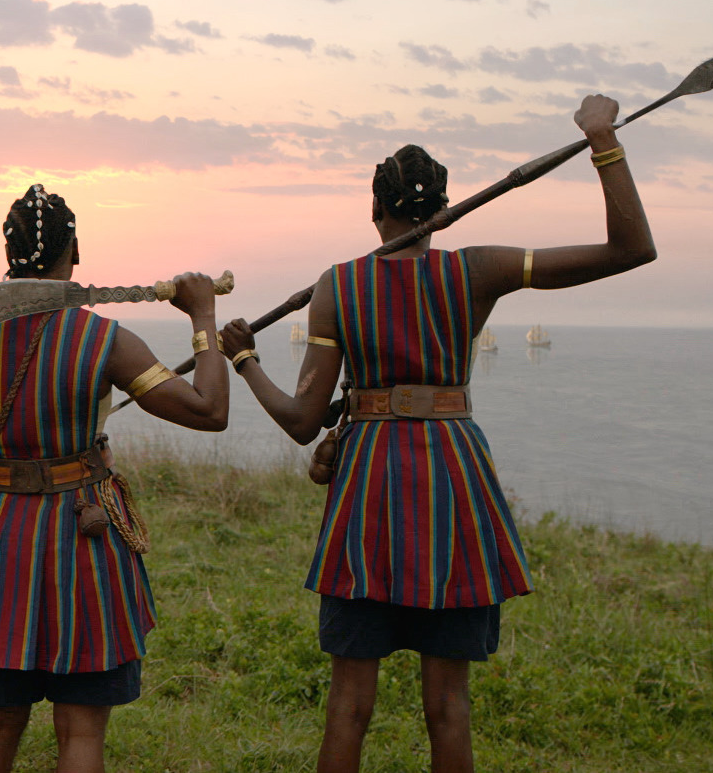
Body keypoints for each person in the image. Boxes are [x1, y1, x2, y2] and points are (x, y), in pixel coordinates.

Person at [220, 94, 656, 773]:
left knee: (349, 707)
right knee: (449, 707)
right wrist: (602, 141)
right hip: (454, 490)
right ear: (443, 210)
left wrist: (244, 359)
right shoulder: (477, 269)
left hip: (368, 494)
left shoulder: (338, 286)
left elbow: (303, 422)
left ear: (375, 209)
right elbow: (632, 249)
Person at [0, 184, 232, 773]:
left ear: (10, 252)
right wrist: (203, 317)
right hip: (83, 535)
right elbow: (209, 410)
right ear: (75, 249)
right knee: (80, 731)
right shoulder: (104, 339)